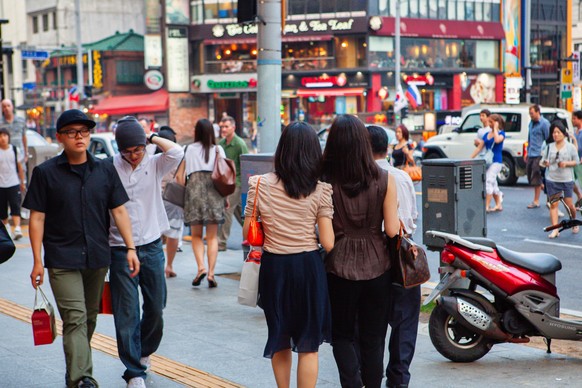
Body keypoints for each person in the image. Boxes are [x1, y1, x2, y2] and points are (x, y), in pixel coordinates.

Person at [25, 109, 139, 388]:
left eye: (84, 131)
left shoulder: (104, 170)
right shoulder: (45, 173)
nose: (80, 137)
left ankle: (74, 370)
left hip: (97, 256)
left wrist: (131, 248)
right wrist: (37, 261)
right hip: (61, 258)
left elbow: (119, 211)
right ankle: (82, 378)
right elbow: (37, 218)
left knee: (88, 318)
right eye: (72, 132)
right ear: (59, 138)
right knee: (74, 318)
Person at [242, 121, 334, 387]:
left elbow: (249, 232)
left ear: (282, 150)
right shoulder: (321, 189)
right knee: (309, 345)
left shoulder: (258, 184)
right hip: (308, 268)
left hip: (275, 268)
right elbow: (327, 242)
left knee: (279, 336)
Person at [322, 114, 400, 388]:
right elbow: (392, 230)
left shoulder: (325, 180)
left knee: (342, 335)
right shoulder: (384, 178)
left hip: (337, 266)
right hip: (378, 266)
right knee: (374, 337)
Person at [108, 116, 183, 388]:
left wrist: (149, 137)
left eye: (137, 149)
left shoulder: (154, 162)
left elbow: (177, 151)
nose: (133, 156)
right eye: (127, 151)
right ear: (119, 149)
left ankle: (143, 351)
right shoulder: (109, 168)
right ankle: (133, 371)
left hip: (152, 245)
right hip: (118, 248)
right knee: (126, 311)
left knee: (156, 307)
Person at [367, 125, 420, 388]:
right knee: (404, 325)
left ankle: (372, 378)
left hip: (372, 257)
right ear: (387, 148)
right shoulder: (400, 177)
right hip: (403, 256)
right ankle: (398, 380)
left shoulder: (361, 176)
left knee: (373, 324)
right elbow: (411, 220)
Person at [176, 119, 226, 288]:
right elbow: (224, 176)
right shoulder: (218, 150)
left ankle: (201, 268)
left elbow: (179, 178)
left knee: (196, 235)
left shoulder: (188, 149)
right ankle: (211, 273)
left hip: (194, 192)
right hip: (214, 193)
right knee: (212, 237)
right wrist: (225, 198)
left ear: (196, 132)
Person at [540, 121, 580, 239]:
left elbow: (576, 161)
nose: (555, 135)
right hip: (552, 180)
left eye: (558, 132)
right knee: (554, 205)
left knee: (569, 206)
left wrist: (566, 163)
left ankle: (573, 222)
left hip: (567, 180)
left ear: (563, 133)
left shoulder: (570, 147)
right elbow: (542, 162)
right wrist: (545, 163)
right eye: (554, 133)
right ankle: (555, 229)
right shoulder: (549, 147)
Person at [217, 115, 248, 251]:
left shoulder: (240, 144)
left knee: (227, 210)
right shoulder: (221, 144)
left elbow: (246, 164)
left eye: (226, 126)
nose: (223, 129)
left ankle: (221, 243)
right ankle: (254, 235)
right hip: (225, 183)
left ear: (233, 128)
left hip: (237, 183)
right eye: (222, 127)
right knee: (240, 213)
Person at [157, 126, 184, 278]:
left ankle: (158, 265)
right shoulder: (180, 156)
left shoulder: (153, 156)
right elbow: (182, 178)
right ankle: (169, 266)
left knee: (156, 233)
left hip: (157, 197)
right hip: (174, 198)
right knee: (173, 233)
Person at [471, 114, 505, 212]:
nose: (489, 124)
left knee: (488, 181)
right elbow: (479, 147)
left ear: (496, 123)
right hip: (488, 161)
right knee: (493, 183)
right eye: (489, 121)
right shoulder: (486, 134)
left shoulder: (501, 133)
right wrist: (470, 158)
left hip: (496, 161)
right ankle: (498, 204)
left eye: (491, 122)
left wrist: (495, 128)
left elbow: (497, 140)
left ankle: (487, 205)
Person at [0, 127, 26, 240]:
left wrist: (22, 181)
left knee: (15, 205)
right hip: (1, 184)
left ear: (8, 137)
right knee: (2, 209)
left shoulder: (14, 150)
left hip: (14, 182)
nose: (2, 138)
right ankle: (6, 229)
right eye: (0, 136)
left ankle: (17, 228)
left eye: (5, 135)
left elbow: (20, 167)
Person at [525, 104, 550, 209]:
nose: (530, 115)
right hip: (531, 153)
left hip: (539, 154)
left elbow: (549, 139)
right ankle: (543, 188)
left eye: (532, 113)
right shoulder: (531, 123)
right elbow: (529, 138)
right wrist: (527, 151)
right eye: (530, 113)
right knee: (530, 175)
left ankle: (536, 201)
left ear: (537, 112)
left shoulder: (544, 123)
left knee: (536, 176)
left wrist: (547, 155)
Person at [1, 99, 28, 165]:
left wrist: (26, 153)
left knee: (22, 173)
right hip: (5, 157)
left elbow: (24, 137)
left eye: (8, 106)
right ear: (2, 109)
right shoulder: (0, 123)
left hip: (20, 155)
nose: (6, 108)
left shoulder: (21, 121)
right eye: (4, 106)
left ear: (12, 107)